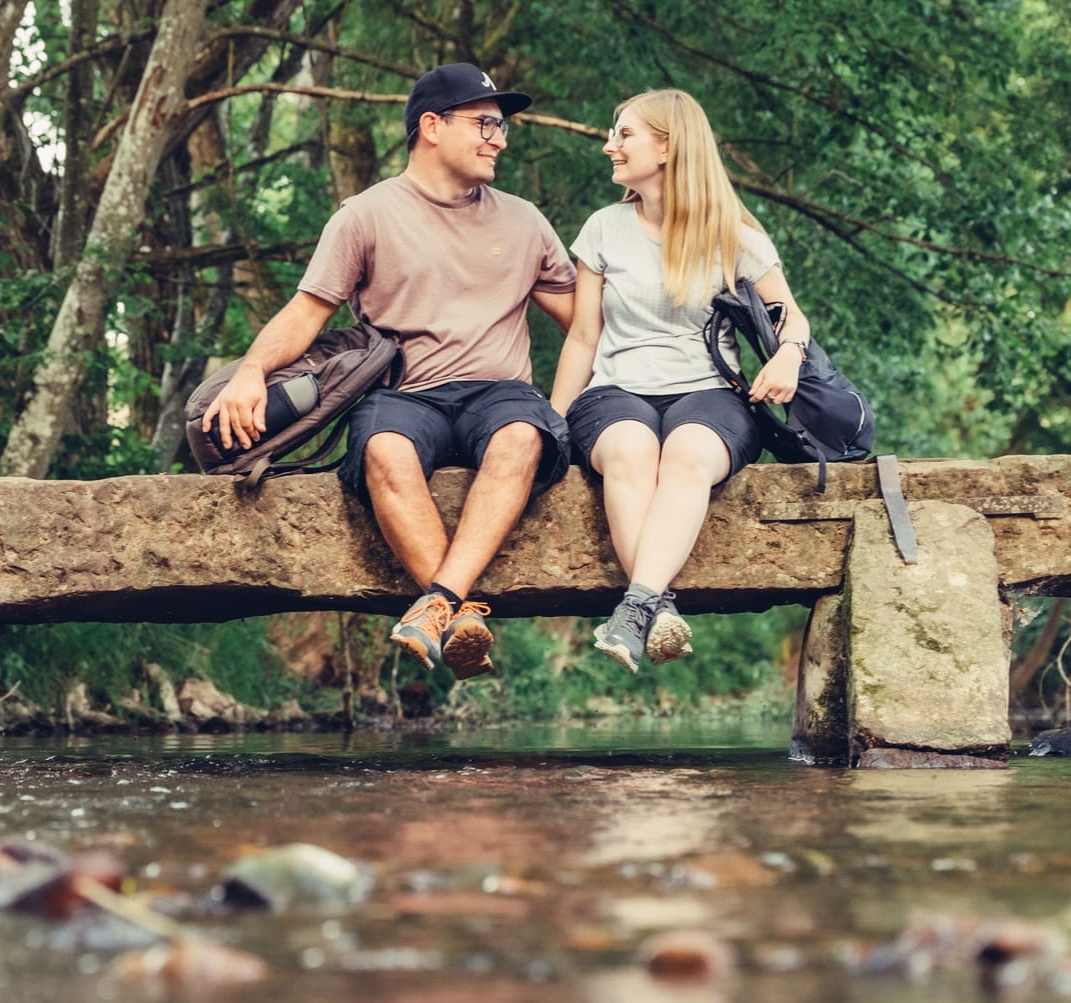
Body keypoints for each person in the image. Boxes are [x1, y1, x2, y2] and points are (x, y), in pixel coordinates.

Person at [202, 63, 577, 681]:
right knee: (381, 447)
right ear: (431, 126)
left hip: (499, 393)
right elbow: (308, 312)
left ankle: (438, 607)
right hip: (405, 395)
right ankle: (457, 619)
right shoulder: (365, 215)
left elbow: (585, 323)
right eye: (484, 123)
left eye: (502, 126)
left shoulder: (525, 219)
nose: (499, 139)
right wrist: (249, 371)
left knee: (522, 437)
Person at [550, 88, 812, 674]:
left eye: (624, 134)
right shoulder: (602, 229)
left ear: (667, 148)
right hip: (615, 390)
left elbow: (791, 315)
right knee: (631, 448)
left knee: (689, 453)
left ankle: (636, 605)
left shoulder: (733, 234)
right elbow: (583, 338)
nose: (609, 145)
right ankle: (656, 605)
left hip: (713, 393)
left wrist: (789, 354)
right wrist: (554, 421)